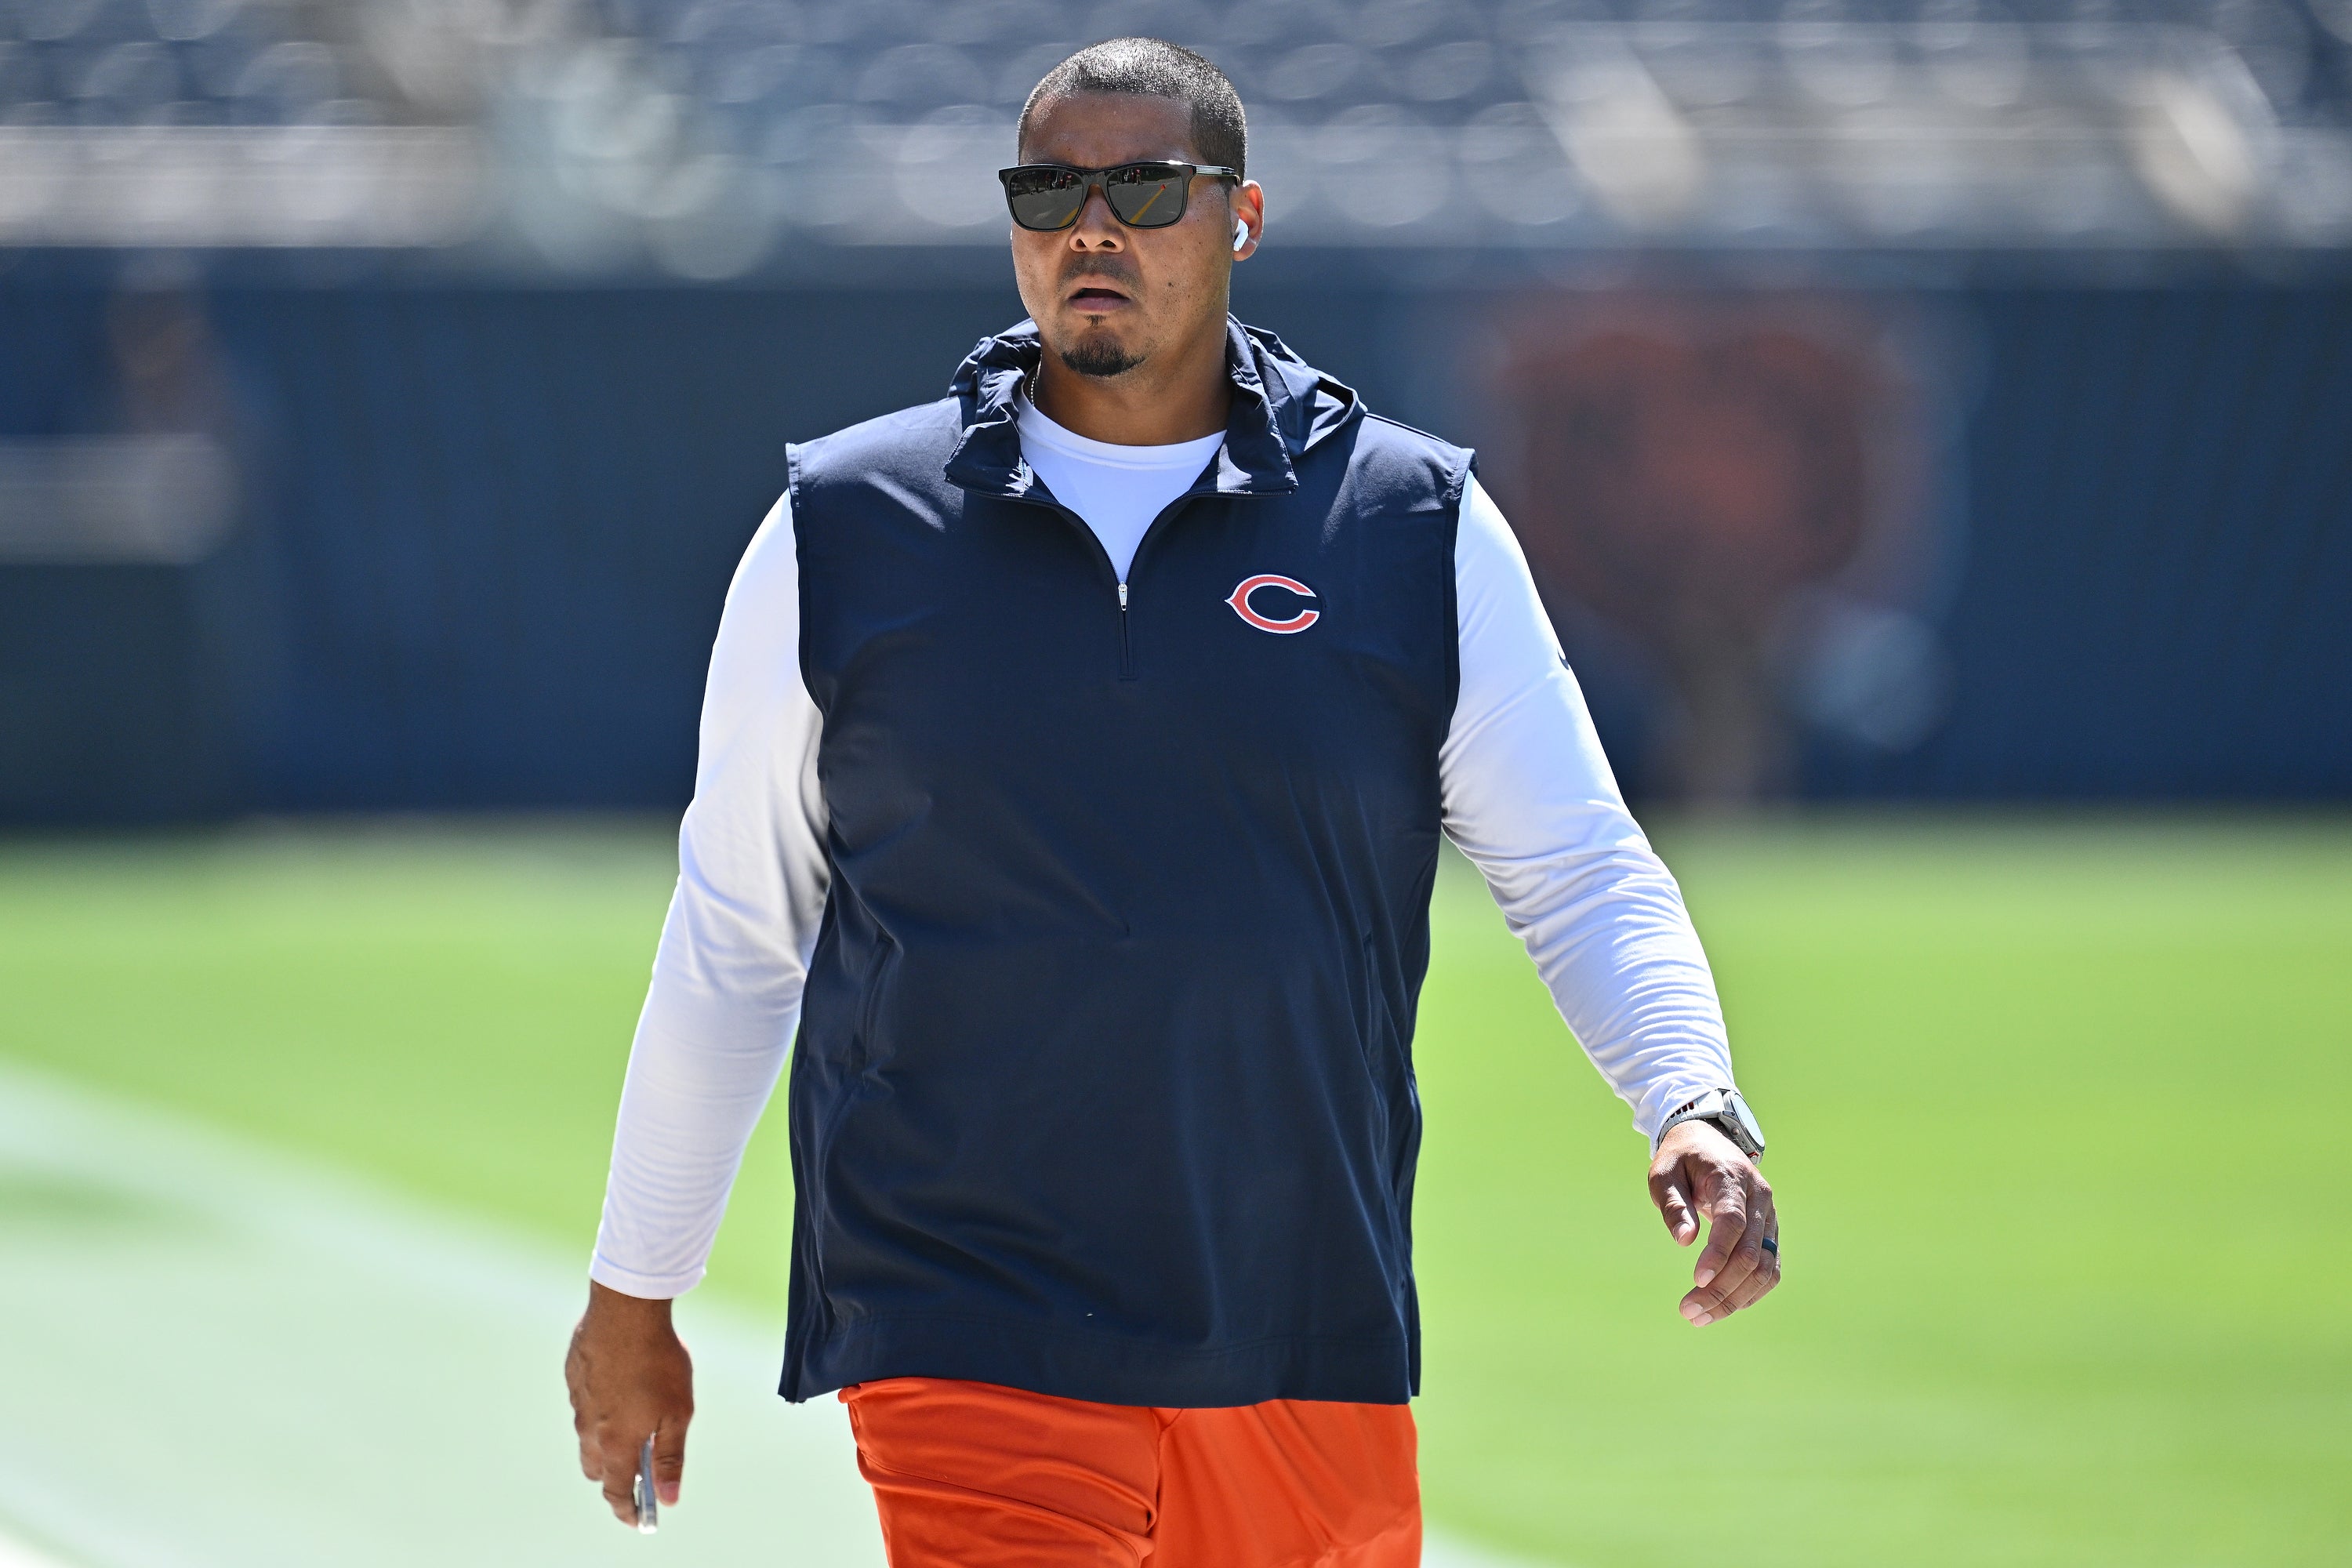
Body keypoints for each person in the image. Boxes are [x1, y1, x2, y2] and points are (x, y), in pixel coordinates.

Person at [564, 37, 1780, 1568]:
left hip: (1302, 1324)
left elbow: (1581, 870)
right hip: (962, 1313)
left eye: (1142, 187)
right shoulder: (845, 531)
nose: (1091, 228)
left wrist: (1689, 1092)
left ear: (1240, 217)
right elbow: (739, 933)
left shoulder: (1409, 526)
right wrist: (635, 1286)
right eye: (1048, 188)